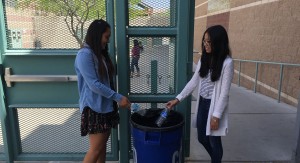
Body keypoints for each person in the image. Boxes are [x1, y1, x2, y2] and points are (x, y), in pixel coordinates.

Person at [166, 25, 233, 163]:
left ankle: (216, 159)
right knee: (202, 137)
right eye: (204, 41)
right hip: (202, 102)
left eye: (209, 42)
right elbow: (193, 81)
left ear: (218, 43)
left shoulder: (227, 63)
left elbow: (224, 93)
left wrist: (216, 116)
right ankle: (216, 158)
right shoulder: (205, 59)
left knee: (214, 140)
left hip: (214, 106)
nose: (205, 44)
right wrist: (177, 99)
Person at [74, 19, 131, 163]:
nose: (108, 40)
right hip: (95, 109)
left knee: (101, 149)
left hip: (105, 107)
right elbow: (94, 84)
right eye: (106, 37)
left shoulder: (98, 53)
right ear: (96, 35)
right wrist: (118, 97)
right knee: (95, 150)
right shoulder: (85, 55)